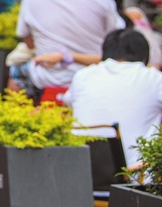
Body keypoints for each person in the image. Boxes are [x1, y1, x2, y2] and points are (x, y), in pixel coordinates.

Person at [9, 0, 123, 101]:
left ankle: (16, 114)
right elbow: (116, 37)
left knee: (15, 75)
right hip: (94, 77)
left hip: (45, 78)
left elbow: (29, 42)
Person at [65, 29, 162, 167]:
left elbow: (67, 105)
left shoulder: (82, 76)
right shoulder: (154, 79)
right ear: (144, 59)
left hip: (83, 172)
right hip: (136, 175)